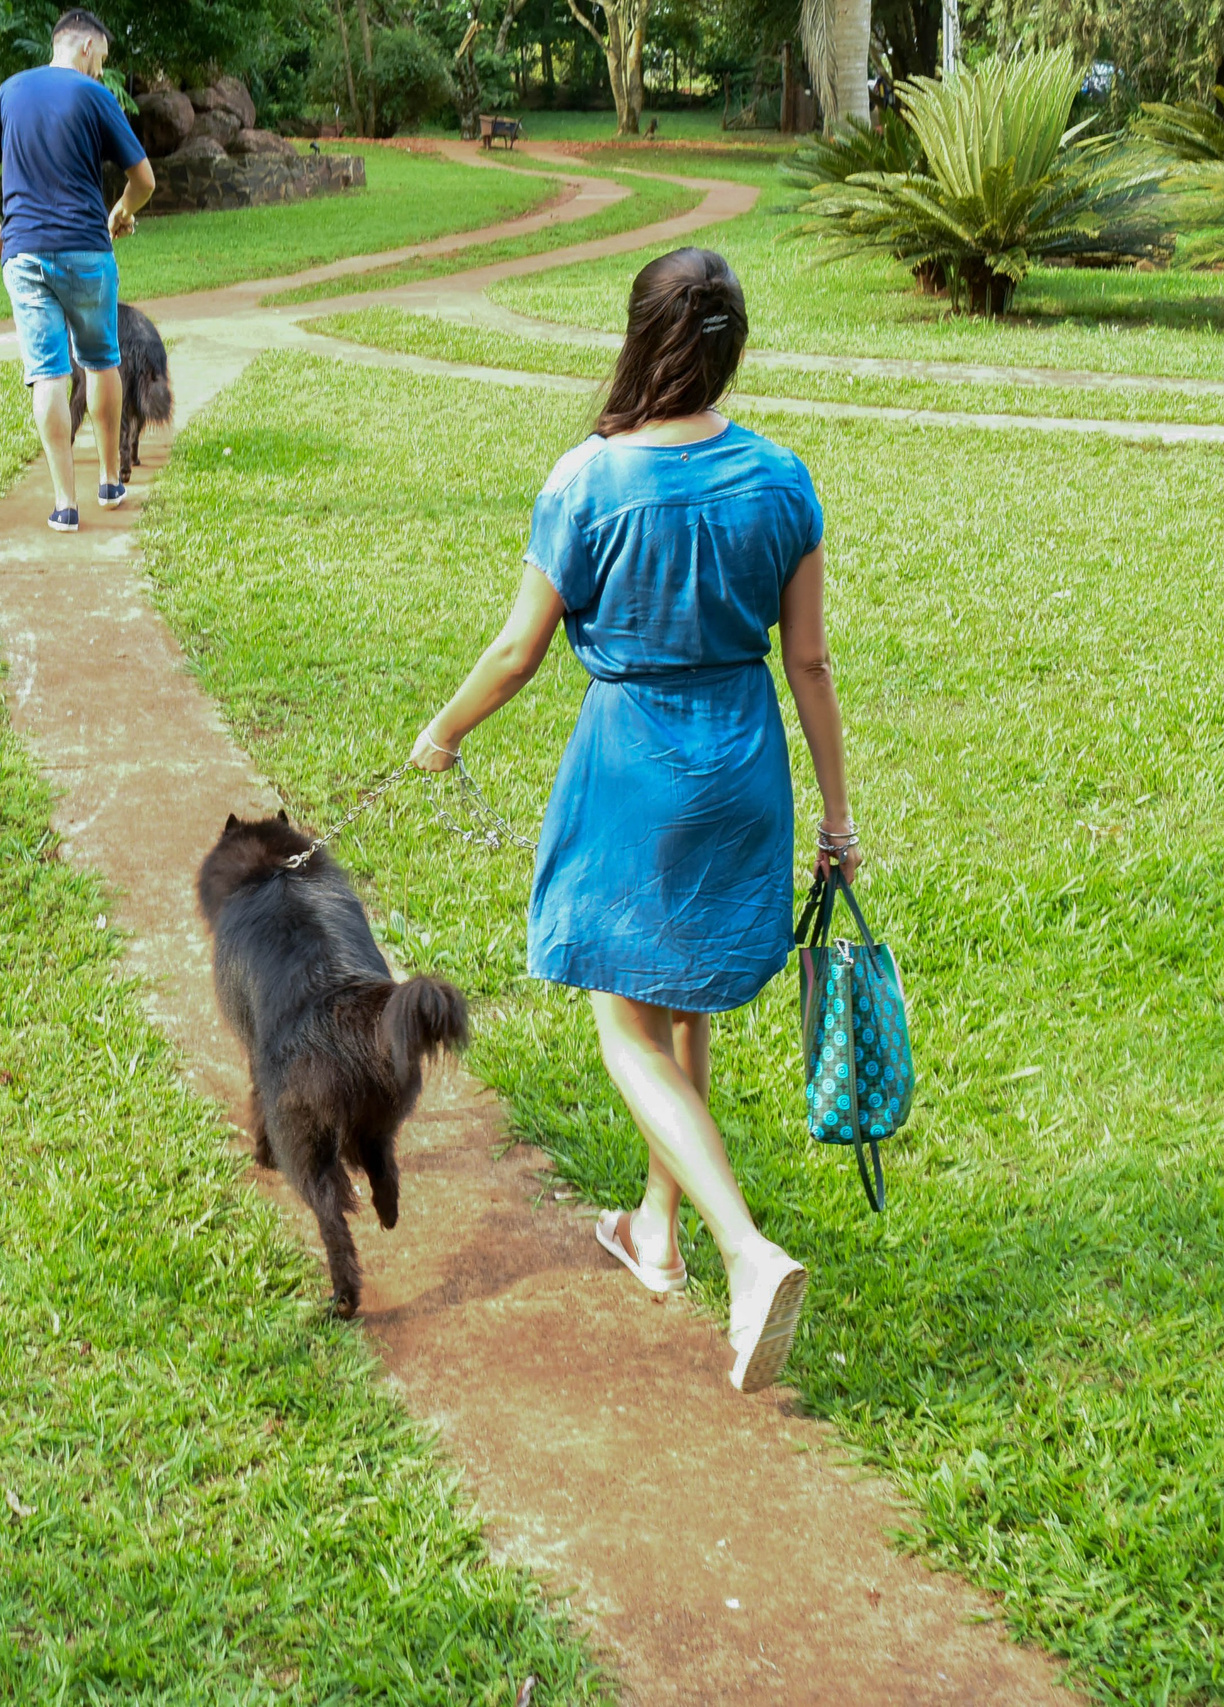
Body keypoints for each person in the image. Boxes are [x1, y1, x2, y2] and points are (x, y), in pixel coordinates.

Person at [406, 247, 858, 1396]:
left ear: (638, 336)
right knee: (687, 993)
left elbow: (518, 650)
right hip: (745, 757)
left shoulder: (587, 481)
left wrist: (443, 733)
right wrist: (837, 819)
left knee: (625, 1026)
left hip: (635, 763)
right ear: (727, 348)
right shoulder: (782, 480)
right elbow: (806, 661)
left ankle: (745, 1253)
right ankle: (656, 1230)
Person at [0, 8, 155, 534]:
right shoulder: (95, 96)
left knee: (48, 372)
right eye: (103, 60)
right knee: (100, 360)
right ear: (88, 49)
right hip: (86, 252)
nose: (101, 72)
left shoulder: (9, 92)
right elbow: (144, 179)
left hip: (23, 256)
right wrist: (122, 212)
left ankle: (64, 504)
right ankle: (110, 481)